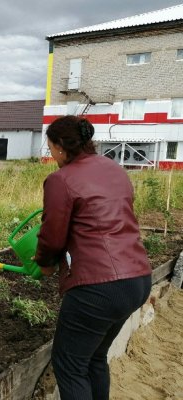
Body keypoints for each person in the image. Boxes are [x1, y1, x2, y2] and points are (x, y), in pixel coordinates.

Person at [34, 115, 152, 400]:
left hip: (99, 287)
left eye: (50, 148)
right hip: (138, 278)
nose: (51, 154)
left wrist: (45, 263)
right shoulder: (114, 169)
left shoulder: (61, 179)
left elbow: (52, 234)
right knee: (95, 358)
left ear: (61, 147)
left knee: (70, 366)